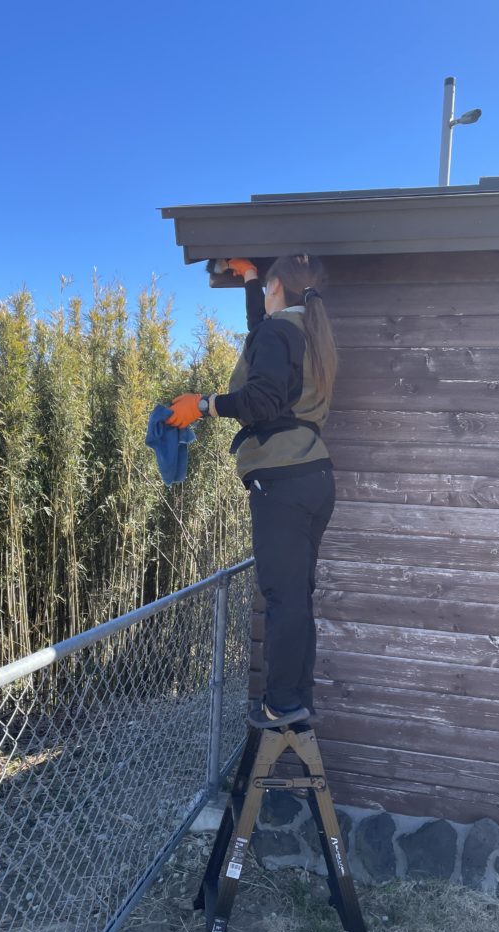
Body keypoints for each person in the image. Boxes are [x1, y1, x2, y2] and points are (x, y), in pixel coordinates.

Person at [167, 254, 338, 729]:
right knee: (297, 596)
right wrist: (248, 278)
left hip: (281, 479)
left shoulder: (278, 334)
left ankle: (280, 703)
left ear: (276, 286)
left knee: (282, 597)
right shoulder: (307, 332)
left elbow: (262, 398)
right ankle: (297, 696)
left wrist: (204, 405)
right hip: (315, 478)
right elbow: (262, 336)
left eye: (265, 287)